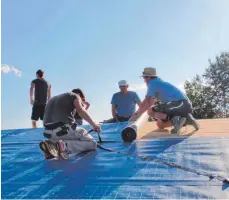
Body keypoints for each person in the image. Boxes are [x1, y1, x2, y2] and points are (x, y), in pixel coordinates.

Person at [129, 67, 199, 134]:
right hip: (187, 106)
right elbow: (151, 102)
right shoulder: (159, 82)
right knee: (160, 124)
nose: (144, 80)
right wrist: (139, 112)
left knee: (150, 111)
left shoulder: (152, 83)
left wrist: (136, 116)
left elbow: (147, 102)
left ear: (149, 77)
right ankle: (187, 119)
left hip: (178, 104)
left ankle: (175, 119)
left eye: (144, 77)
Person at [39, 90, 101, 159]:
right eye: (82, 101)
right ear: (79, 94)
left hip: (48, 132)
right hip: (63, 130)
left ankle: (53, 143)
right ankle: (64, 146)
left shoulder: (52, 99)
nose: (82, 103)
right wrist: (94, 125)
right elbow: (80, 111)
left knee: (73, 134)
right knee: (92, 143)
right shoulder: (75, 96)